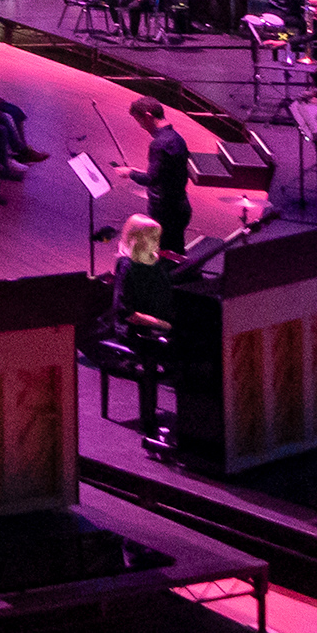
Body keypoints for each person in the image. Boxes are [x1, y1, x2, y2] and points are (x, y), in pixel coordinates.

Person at [107, 213, 178, 428]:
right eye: (152, 238)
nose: (157, 244)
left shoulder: (154, 262)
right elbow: (126, 312)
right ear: (136, 239)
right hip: (133, 330)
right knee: (152, 354)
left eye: (157, 238)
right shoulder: (126, 267)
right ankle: (148, 418)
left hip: (156, 324)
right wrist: (162, 324)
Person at [132, 98, 194, 246]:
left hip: (166, 212)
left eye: (140, 122)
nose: (142, 127)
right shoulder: (176, 138)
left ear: (148, 116)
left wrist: (130, 173)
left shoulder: (159, 144)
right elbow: (167, 173)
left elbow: (150, 179)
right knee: (175, 252)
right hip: (179, 207)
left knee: (165, 256)